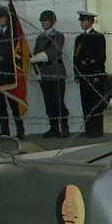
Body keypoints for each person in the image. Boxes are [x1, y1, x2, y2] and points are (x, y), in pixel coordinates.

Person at [0, 6, 25, 138]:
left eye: (2, 17)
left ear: (8, 18)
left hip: (11, 75)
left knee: (14, 104)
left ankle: (20, 130)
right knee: (0, 105)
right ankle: (5, 131)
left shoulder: (14, 35)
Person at [30, 10, 68, 138]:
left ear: (52, 21)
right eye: (42, 21)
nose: (43, 23)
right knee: (49, 102)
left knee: (58, 101)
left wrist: (37, 58)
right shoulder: (40, 38)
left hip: (56, 72)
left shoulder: (58, 36)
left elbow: (53, 52)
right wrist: (36, 69)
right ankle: (53, 128)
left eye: (45, 20)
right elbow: (35, 53)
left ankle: (64, 127)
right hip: (45, 73)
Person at [73, 11, 106, 138]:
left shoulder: (98, 37)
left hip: (94, 74)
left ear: (91, 22)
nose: (82, 23)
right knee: (85, 102)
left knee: (95, 103)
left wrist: (98, 73)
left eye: (85, 21)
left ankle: (97, 129)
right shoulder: (79, 38)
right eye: (81, 21)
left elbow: (100, 56)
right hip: (83, 75)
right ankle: (88, 128)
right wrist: (76, 74)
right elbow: (76, 57)